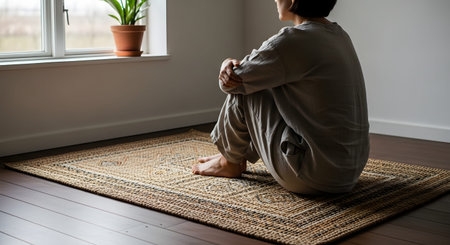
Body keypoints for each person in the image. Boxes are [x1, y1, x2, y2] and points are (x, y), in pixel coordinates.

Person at [192, 0, 369, 195]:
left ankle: (229, 162)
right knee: (259, 82)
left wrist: (226, 62)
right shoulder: (340, 36)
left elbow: (229, 83)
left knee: (246, 91)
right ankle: (234, 155)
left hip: (313, 175)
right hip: (347, 171)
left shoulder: (292, 40)